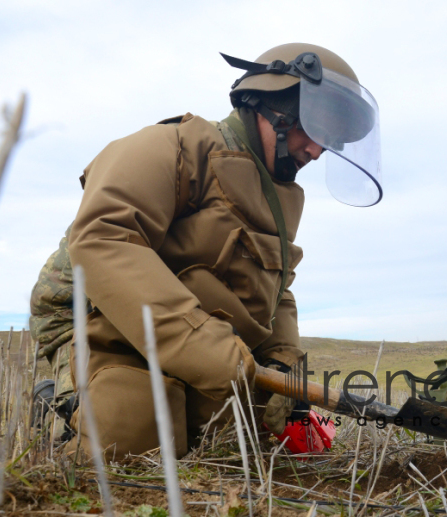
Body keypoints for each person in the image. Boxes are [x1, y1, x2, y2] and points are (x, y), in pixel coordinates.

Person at [29, 42, 382, 459]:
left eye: (332, 140)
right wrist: (205, 346)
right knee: (135, 436)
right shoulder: (175, 146)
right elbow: (105, 238)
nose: (318, 150)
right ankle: (60, 403)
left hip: (196, 337)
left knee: (243, 439)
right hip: (93, 313)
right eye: (317, 128)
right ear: (275, 107)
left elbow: (277, 291)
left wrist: (285, 362)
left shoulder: (277, 197)